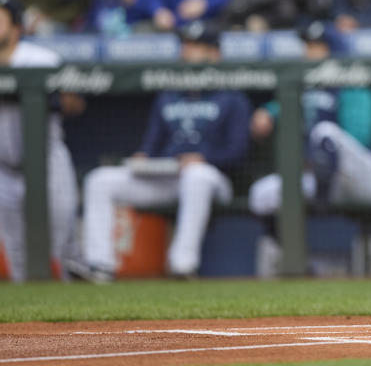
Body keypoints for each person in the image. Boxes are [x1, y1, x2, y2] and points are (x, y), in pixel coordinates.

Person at [68, 21, 251, 282]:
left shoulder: (233, 97)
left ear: (215, 54)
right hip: (167, 175)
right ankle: (100, 265)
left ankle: (182, 264)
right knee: (100, 180)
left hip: (213, 179)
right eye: (186, 46)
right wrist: (143, 158)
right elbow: (152, 144)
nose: (188, 53)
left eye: (197, 47)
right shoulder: (169, 95)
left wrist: (204, 158)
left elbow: (238, 151)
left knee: (197, 175)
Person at [247, 20, 371, 277]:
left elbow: (358, 136)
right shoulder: (303, 89)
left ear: (332, 50)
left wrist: (314, 157)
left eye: (316, 47)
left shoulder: (353, 82)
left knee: (325, 132)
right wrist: (267, 113)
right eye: (307, 47)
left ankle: (325, 206)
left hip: (363, 179)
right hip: (322, 177)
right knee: (261, 194)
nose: (308, 53)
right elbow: (279, 108)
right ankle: (291, 259)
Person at [0, 0, 78, 282]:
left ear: (17, 26)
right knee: (18, 258)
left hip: (47, 163)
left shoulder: (40, 59)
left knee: (61, 248)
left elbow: (74, 102)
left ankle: (80, 317)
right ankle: (32, 326)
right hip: (3, 171)